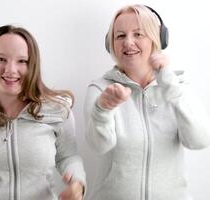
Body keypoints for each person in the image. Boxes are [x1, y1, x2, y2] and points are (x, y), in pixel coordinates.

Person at [84, 4, 210, 200]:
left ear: (157, 39)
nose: (128, 42)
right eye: (120, 36)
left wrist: (171, 88)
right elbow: (99, 145)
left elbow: (199, 141)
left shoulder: (179, 88)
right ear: (111, 44)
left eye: (138, 34)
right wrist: (103, 109)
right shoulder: (101, 89)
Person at [0, 25, 86, 200]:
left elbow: (69, 157)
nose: (10, 70)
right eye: (1, 59)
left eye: (22, 61)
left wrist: (77, 184)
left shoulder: (57, 111)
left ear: (32, 67)